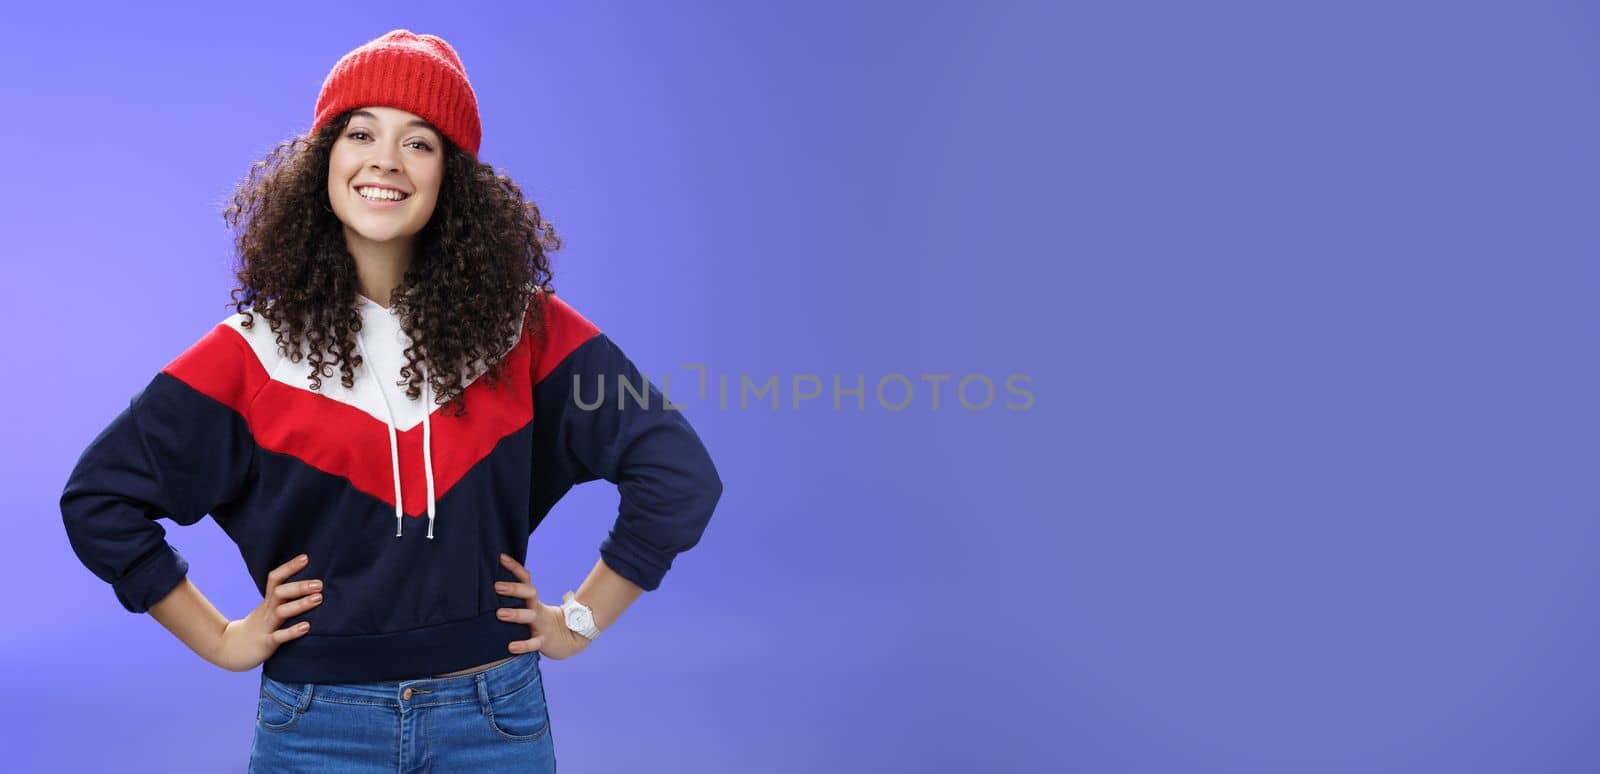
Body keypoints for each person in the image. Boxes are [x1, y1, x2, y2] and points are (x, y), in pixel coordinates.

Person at [58, 29, 723, 772]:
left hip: (492, 716)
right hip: (315, 725)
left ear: (453, 179)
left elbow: (679, 476)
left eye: (420, 142)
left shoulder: (526, 332)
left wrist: (578, 620)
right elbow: (99, 499)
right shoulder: (250, 352)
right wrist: (220, 639)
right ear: (324, 161)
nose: (384, 160)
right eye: (360, 132)